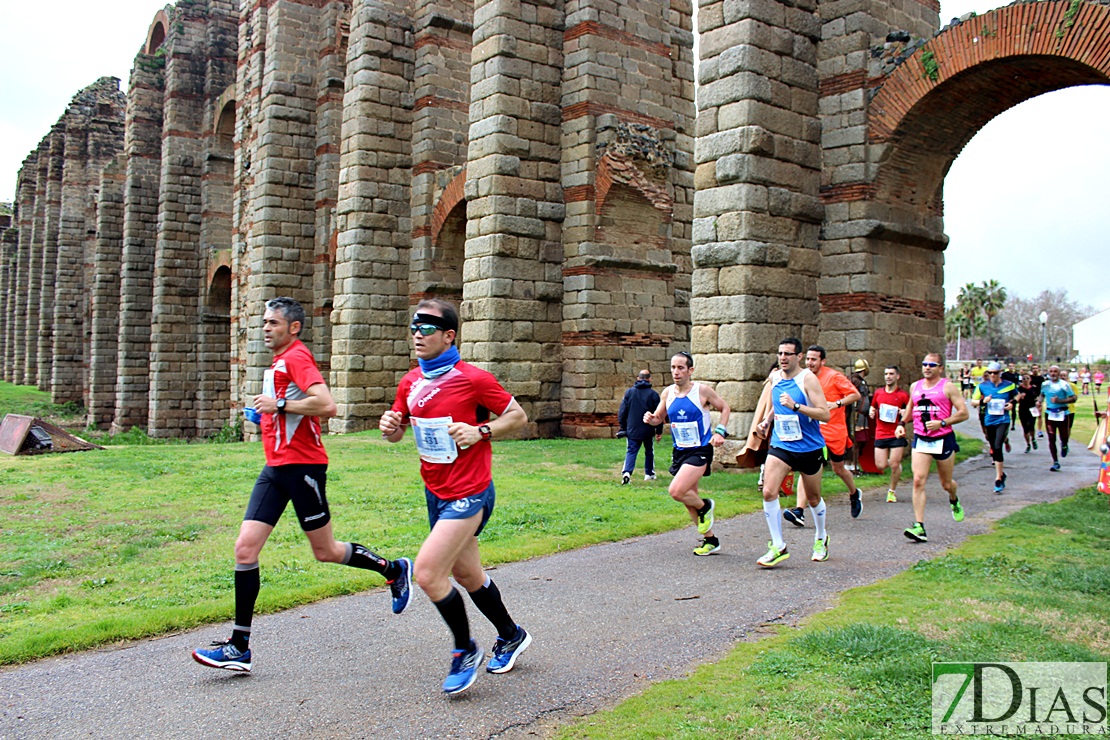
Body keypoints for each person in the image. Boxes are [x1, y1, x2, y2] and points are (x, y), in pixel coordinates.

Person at [192, 297, 412, 674]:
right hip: (275, 468)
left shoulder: (296, 357)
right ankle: (239, 647)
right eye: (264, 322)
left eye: (274, 323)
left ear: (293, 327)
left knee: (324, 551)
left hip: (303, 467)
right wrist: (267, 411)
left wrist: (278, 406)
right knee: (245, 548)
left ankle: (393, 570)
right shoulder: (278, 361)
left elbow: (327, 405)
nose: (266, 328)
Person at [379, 299, 531, 696]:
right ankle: (511, 634)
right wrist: (391, 425)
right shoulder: (411, 382)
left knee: (429, 573)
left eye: (427, 328)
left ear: (449, 336)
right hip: (436, 491)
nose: (417, 334)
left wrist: (480, 432)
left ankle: (465, 649)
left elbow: (517, 416)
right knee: (467, 575)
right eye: (414, 326)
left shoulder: (474, 379)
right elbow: (397, 433)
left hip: (472, 492)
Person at [752, 337, 831, 567]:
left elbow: (824, 414)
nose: (783, 358)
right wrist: (766, 422)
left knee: (814, 498)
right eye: (780, 353)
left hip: (809, 446)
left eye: (788, 354)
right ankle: (778, 545)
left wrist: (796, 406)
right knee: (768, 492)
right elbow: (777, 405)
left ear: (798, 357)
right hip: (782, 444)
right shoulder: (775, 377)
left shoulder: (808, 379)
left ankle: (820, 537)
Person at [644, 351, 731, 556]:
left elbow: (724, 408)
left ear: (690, 370)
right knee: (688, 498)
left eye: (681, 368)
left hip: (699, 450)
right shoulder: (668, 393)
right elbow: (659, 418)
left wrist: (720, 431)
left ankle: (706, 506)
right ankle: (711, 540)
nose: (676, 372)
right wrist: (651, 419)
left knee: (677, 491)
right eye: (673, 367)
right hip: (680, 450)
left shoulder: (702, 391)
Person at [782, 345, 862, 525]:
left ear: (822, 361)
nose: (810, 363)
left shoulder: (833, 376)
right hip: (812, 432)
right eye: (808, 359)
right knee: (805, 468)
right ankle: (799, 510)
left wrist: (837, 403)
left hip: (834, 431)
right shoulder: (801, 377)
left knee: (838, 469)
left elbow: (855, 395)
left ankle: (854, 493)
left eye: (814, 359)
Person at [895, 352, 969, 542]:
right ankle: (919, 526)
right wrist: (902, 424)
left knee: (946, 484)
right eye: (924, 364)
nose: (927, 367)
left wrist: (942, 423)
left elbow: (963, 413)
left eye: (932, 365)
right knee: (918, 480)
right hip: (922, 438)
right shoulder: (916, 386)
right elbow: (912, 407)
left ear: (940, 368)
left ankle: (953, 498)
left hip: (943, 438)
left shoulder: (948, 387)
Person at [970, 361, 1018, 493]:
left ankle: (998, 477)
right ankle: (1002, 475)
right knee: (993, 446)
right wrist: (982, 401)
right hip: (989, 420)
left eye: (995, 373)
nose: (992, 375)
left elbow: (1017, 395)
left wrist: (1012, 403)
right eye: (989, 373)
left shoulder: (1008, 385)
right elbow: (972, 402)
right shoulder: (982, 386)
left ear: (1000, 373)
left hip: (1003, 419)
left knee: (997, 446)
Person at [869, 365, 910, 503]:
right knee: (880, 465)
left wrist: (904, 414)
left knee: (893, 463)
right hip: (881, 433)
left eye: (891, 374)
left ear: (897, 376)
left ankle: (891, 491)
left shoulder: (903, 395)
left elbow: (912, 413)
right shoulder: (879, 393)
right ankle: (896, 466)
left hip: (896, 433)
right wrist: (871, 411)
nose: (888, 376)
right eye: (886, 374)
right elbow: (873, 406)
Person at [617, 369, 663, 484]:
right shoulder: (653, 395)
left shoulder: (630, 392)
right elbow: (659, 415)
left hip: (632, 428)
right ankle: (649, 473)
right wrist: (659, 431)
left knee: (631, 451)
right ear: (650, 379)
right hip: (648, 428)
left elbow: (622, 411)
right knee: (649, 451)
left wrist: (623, 427)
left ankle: (627, 472)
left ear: (638, 378)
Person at [1038, 365, 1076, 472]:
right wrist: (1039, 401)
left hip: (1063, 412)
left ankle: (1064, 444)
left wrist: (1060, 401)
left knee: (1064, 435)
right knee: (1051, 437)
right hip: (1050, 413)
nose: (1053, 373)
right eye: (1051, 371)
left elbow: (1073, 398)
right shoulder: (1045, 384)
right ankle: (1055, 461)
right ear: (1048, 373)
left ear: (1058, 373)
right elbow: (1042, 395)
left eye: (1055, 371)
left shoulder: (1064, 385)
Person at [848, 359, 871, 475]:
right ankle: (852, 466)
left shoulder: (861, 381)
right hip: (855, 415)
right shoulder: (854, 380)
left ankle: (856, 465)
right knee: (855, 442)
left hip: (862, 416)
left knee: (860, 442)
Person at [1015, 373, 1039, 454]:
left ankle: (1033, 439)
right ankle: (1028, 444)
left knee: (1031, 425)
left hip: (1032, 409)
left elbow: (1037, 398)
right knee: (1025, 428)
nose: (1025, 380)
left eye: (1027, 378)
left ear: (1030, 379)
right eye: (1024, 378)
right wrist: (1020, 397)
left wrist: (1038, 403)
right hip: (1023, 409)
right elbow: (1016, 399)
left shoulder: (1034, 388)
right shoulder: (1019, 389)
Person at [1001, 362, 1020, 434]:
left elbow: (1018, 383)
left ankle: (1013, 424)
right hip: (1006, 393)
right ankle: (1004, 422)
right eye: (1010, 366)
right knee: (1005, 407)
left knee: (1013, 408)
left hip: (1013, 393)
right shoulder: (1005, 375)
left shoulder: (1016, 375)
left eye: (1012, 366)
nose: (1011, 367)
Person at [1029, 364, 1046, 439]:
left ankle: (1039, 431)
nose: (1035, 370)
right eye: (1033, 368)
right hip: (1030, 399)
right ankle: (1031, 430)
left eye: (1036, 368)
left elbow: (1043, 390)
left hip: (1038, 399)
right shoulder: (1029, 378)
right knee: (1030, 416)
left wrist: (1039, 399)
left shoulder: (1041, 379)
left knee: (1039, 415)